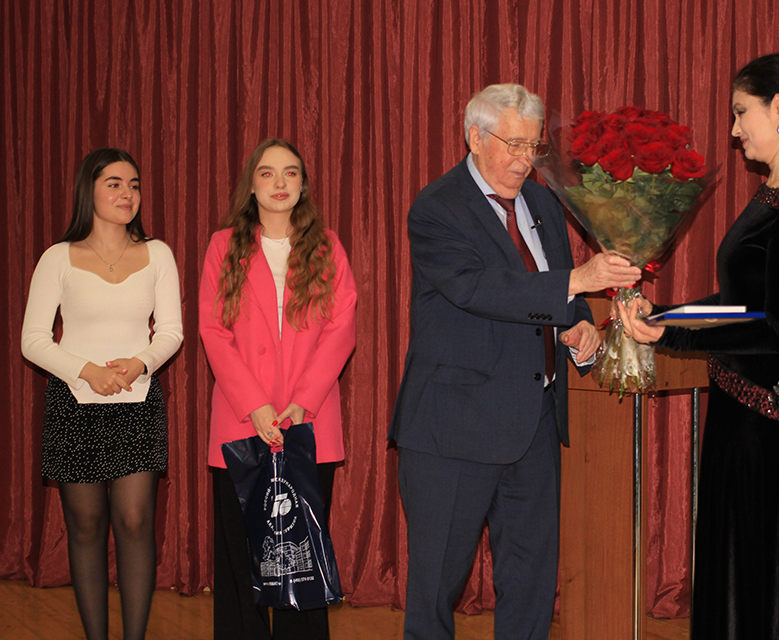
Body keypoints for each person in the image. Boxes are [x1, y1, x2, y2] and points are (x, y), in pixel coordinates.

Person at [617, 53, 779, 640]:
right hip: (746, 410)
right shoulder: (777, 188)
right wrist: (665, 314)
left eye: (740, 112)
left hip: (774, 423)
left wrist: (674, 334)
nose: (734, 129)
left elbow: (777, 330)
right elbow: (740, 300)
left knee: (767, 580)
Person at [389, 83, 642, 639]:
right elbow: (478, 288)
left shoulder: (543, 204)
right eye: (513, 145)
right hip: (453, 431)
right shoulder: (437, 207)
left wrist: (580, 324)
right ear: (475, 138)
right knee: (435, 592)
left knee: (531, 587)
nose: (526, 160)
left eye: (533, 147)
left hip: (535, 426)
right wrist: (578, 281)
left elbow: (558, 293)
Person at [21, 147, 184, 640]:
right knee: (86, 526)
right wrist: (86, 371)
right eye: (114, 183)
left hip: (137, 404)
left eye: (133, 184)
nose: (127, 193)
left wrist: (140, 362)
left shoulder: (158, 254)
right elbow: (33, 340)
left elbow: (171, 331)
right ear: (87, 190)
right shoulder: (57, 258)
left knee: (134, 521)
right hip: (74, 406)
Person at [198, 138, 357, 640]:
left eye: (290, 172)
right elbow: (213, 330)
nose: (280, 182)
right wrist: (256, 406)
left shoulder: (327, 246)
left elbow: (342, 329)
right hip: (241, 424)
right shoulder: (223, 246)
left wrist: (301, 403)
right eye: (267, 173)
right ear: (252, 184)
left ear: (303, 184)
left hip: (308, 424)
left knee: (299, 558)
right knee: (240, 558)